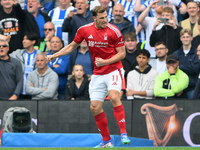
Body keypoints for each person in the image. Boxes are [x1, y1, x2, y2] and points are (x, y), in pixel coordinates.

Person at [47, 6, 130, 148]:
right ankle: (106, 141)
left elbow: (122, 54)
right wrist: (54, 55)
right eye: (102, 18)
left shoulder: (114, 31)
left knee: (114, 96)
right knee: (95, 107)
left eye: (106, 17)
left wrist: (105, 61)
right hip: (98, 73)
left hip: (114, 69)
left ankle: (123, 133)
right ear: (94, 18)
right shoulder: (84, 30)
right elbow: (72, 46)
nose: (105, 20)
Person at [10, 32, 39, 99]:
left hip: (34, 87)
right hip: (19, 88)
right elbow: (5, 57)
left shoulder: (40, 55)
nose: (24, 41)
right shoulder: (17, 53)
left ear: (33, 41)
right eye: (23, 39)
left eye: (26, 39)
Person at [173, 28, 200, 99]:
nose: (185, 39)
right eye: (183, 37)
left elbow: (195, 68)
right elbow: (172, 69)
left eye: (187, 37)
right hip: (178, 89)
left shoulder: (196, 53)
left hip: (192, 88)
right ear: (180, 38)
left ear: (191, 38)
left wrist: (179, 67)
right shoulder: (176, 54)